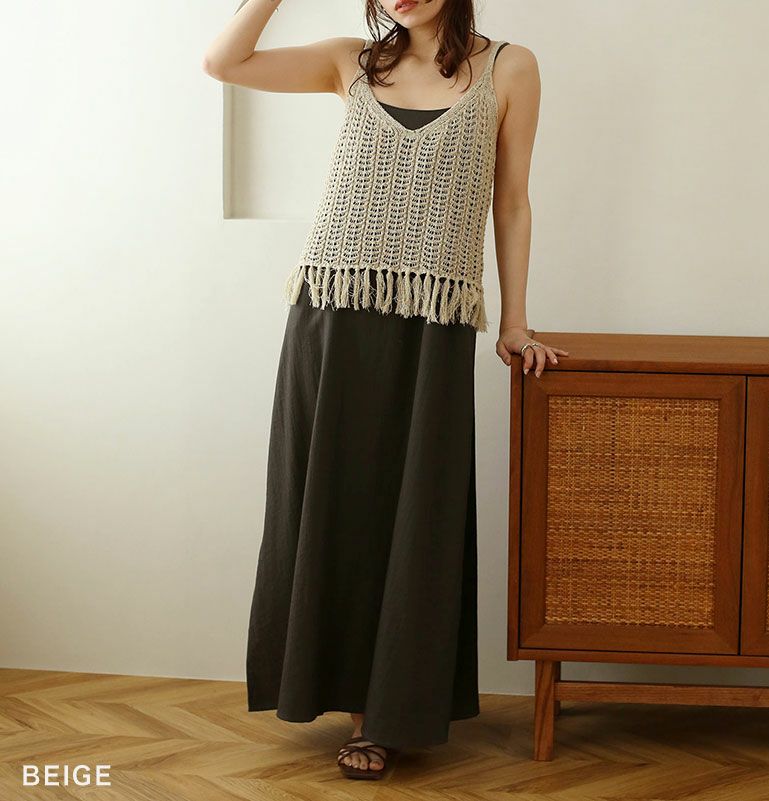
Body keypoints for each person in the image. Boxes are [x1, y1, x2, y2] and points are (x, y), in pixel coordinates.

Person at [202, 0, 569, 781]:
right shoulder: (351, 60)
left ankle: (389, 710)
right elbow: (223, 64)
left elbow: (511, 199)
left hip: (433, 319)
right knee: (330, 502)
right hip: (332, 312)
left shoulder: (510, 68)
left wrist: (515, 320)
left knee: (414, 511)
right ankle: (335, 695)